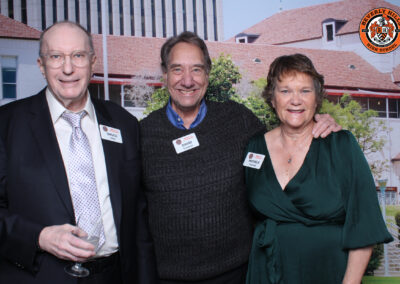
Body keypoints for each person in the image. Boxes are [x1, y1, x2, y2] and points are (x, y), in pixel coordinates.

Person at [140, 32, 341, 283]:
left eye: (197, 70)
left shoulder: (239, 121)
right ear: (165, 74)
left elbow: (283, 153)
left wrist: (316, 123)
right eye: (177, 69)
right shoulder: (142, 134)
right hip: (167, 277)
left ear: (208, 74)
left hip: (238, 273)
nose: (188, 80)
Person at [0, 21, 157, 283]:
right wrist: (38, 237)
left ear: (93, 62)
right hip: (39, 275)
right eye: (56, 57)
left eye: (78, 56)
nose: (68, 68)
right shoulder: (6, 125)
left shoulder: (124, 123)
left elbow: (137, 216)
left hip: (115, 275)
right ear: (41, 65)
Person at [244, 53, 393, 284]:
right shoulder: (254, 148)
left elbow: (364, 226)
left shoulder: (341, 145)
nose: (296, 100)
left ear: (317, 99)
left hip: (330, 273)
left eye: (305, 91)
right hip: (267, 273)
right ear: (272, 99)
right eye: (285, 91)